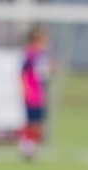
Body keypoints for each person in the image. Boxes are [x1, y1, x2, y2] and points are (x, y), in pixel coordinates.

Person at [19, 25, 51, 160]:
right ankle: (27, 147)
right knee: (33, 123)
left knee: (39, 123)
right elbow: (24, 73)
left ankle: (31, 148)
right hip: (33, 94)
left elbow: (44, 74)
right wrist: (27, 90)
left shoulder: (43, 55)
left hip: (40, 94)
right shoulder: (31, 54)